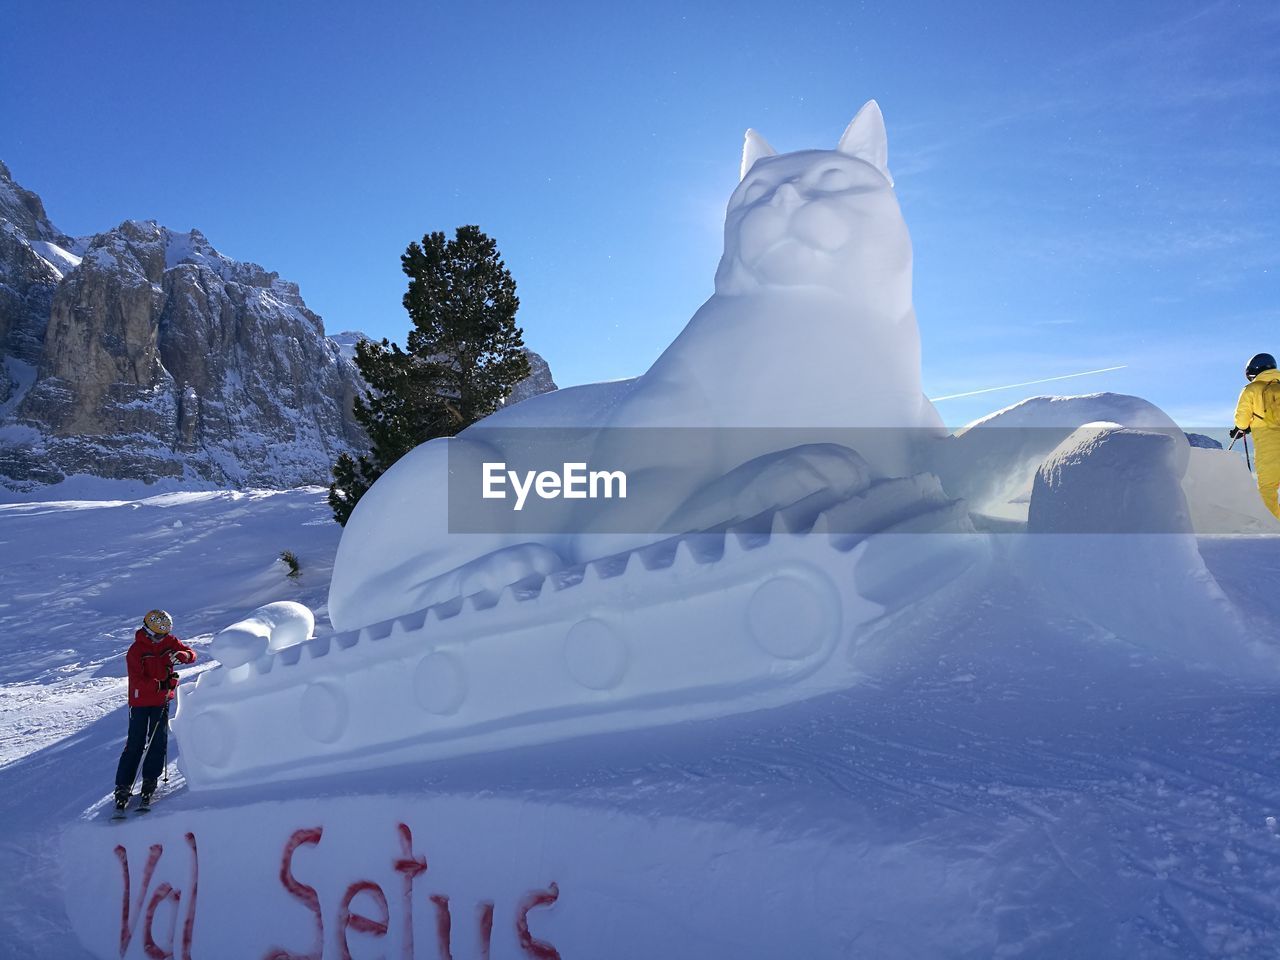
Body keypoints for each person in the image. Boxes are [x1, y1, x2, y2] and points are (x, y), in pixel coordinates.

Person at [113, 609, 196, 812]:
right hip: (140, 702)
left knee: (157, 741)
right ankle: (123, 785)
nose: (162, 639)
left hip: (161, 701)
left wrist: (182, 655)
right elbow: (138, 681)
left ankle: (150, 780)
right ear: (147, 630)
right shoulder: (136, 651)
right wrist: (163, 684)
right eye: (158, 635)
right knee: (136, 742)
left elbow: (191, 655)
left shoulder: (169, 641)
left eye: (164, 634)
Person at [1231, 352, 1280, 521]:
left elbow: (1242, 419)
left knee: (1267, 489)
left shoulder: (1252, 389)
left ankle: (1273, 527)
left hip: (1269, 448)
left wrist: (1241, 428)